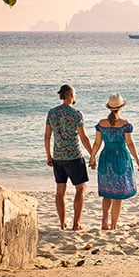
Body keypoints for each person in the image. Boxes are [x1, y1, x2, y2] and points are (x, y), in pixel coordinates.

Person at [89, 93, 139, 230]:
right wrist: (138, 160)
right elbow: (130, 144)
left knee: (107, 192)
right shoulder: (125, 124)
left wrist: (92, 157)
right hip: (119, 158)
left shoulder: (101, 124)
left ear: (109, 107)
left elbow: (97, 143)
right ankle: (113, 226)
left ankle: (104, 221)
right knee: (117, 195)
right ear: (121, 107)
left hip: (105, 158)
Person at [44, 84, 92, 230]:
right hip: (74, 156)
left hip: (58, 157)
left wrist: (49, 156)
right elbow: (83, 138)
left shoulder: (52, 113)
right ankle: (76, 224)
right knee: (80, 188)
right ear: (70, 95)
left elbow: (47, 137)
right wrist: (93, 155)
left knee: (60, 190)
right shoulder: (76, 114)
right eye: (74, 94)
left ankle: (62, 223)